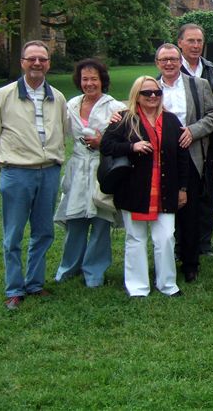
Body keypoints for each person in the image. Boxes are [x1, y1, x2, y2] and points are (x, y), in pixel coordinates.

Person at [0, 41, 69, 310]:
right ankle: (14, 288)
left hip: (49, 172)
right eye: (31, 59)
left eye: (42, 59)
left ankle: (34, 283)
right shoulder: (3, 96)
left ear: (48, 64)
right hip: (17, 172)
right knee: (14, 234)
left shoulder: (57, 97)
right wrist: (8, 165)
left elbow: (63, 131)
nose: (36, 64)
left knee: (44, 232)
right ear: (22, 62)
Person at [100, 76, 189, 298]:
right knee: (136, 238)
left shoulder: (171, 120)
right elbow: (106, 145)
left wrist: (183, 188)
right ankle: (137, 286)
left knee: (166, 237)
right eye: (146, 93)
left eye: (156, 93)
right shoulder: (123, 119)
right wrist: (132, 146)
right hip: (134, 189)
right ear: (136, 96)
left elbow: (182, 156)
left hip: (165, 188)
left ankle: (167, 284)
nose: (152, 97)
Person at [54, 59, 126, 288]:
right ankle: (68, 268)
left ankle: (94, 273)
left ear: (102, 80)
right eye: (85, 79)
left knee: (101, 220)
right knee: (75, 220)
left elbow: (125, 140)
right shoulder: (71, 105)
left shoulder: (114, 107)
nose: (89, 83)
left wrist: (102, 141)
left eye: (94, 78)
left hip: (101, 168)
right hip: (77, 168)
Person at [155, 44, 213, 282]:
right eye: (164, 60)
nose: (169, 64)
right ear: (157, 63)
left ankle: (191, 262)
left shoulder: (197, 84)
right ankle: (167, 255)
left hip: (190, 153)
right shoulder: (151, 88)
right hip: (159, 157)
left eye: (173, 59)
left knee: (190, 209)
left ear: (180, 60)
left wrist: (193, 131)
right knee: (162, 208)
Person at [177, 23, 213, 256]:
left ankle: (204, 243)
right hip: (177, 144)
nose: (195, 45)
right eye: (191, 41)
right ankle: (180, 243)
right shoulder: (171, 70)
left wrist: (198, 130)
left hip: (207, 141)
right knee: (180, 194)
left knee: (207, 193)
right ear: (180, 43)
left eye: (199, 41)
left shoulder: (211, 70)